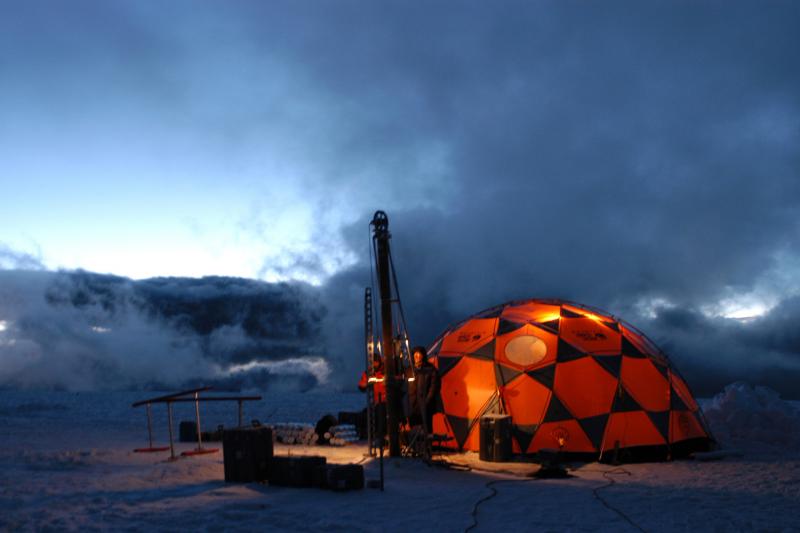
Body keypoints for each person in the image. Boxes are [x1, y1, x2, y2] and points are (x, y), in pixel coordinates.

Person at [409, 346, 440, 438]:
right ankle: (417, 447)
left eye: (419, 353)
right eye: (415, 353)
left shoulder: (430, 369)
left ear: (423, 355)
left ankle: (428, 448)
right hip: (413, 405)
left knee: (427, 427)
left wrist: (427, 400)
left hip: (426, 404)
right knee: (415, 427)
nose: (417, 356)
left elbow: (434, 387)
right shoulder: (409, 369)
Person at [358, 357, 386, 444]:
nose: (374, 364)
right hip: (375, 402)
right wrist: (365, 384)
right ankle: (368, 436)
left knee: (381, 414)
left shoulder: (386, 371)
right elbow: (361, 386)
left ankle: (382, 437)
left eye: (376, 362)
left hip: (386, 401)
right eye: (373, 362)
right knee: (364, 414)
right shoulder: (368, 373)